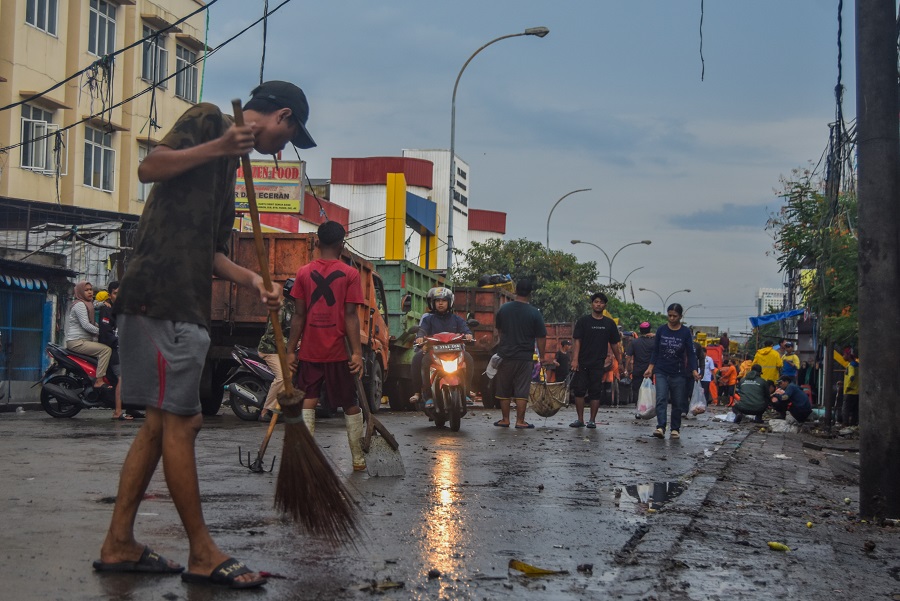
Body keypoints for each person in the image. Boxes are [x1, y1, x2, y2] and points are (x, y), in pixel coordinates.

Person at [96, 80, 311, 589]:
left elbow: (214, 255)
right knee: (182, 422)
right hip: (160, 296)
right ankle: (202, 552)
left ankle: (120, 543)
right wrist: (218, 146)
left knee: (158, 428)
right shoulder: (210, 119)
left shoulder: (232, 170)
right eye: (289, 137)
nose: (281, 149)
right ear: (281, 116)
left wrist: (254, 281)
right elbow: (150, 167)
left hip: (184, 302)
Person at [285, 220, 366, 471]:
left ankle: (305, 458)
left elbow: (298, 315)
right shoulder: (350, 274)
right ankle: (358, 459)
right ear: (342, 245)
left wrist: (290, 351)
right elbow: (350, 316)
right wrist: (357, 352)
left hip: (310, 351)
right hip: (339, 352)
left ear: (318, 242)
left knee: (308, 400)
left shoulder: (303, 273)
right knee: (350, 403)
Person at [492, 277, 546, 429]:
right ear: (530, 293)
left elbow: (499, 331)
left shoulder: (504, 309)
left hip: (505, 355)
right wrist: (542, 357)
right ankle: (520, 421)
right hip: (524, 357)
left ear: (515, 291)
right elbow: (541, 337)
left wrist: (504, 344)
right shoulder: (534, 313)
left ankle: (505, 420)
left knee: (504, 388)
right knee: (522, 389)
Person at [409, 287, 474, 409]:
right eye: (437, 301)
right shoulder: (428, 319)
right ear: (433, 303)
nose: (440, 303)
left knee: (469, 359)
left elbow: (465, 330)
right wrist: (420, 337)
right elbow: (422, 330)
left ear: (449, 302)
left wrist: (468, 335)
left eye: (444, 301)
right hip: (433, 352)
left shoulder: (457, 319)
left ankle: (466, 393)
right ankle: (423, 394)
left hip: (455, 352)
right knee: (418, 359)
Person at [644, 303, 700, 439]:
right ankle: (661, 427)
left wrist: (694, 370)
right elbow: (656, 351)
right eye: (669, 315)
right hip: (661, 370)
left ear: (680, 316)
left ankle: (675, 429)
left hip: (679, 372)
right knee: (661, 398)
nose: (672, 318)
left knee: (677, 401)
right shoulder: (661, 330)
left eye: (675, 316)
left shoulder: (685, 332)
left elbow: (691, 353)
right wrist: (650, 368)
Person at [569, 292, 622, 429]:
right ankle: (580, 419)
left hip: (598, 363)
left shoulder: (609, 324)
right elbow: (577, 341)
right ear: (592, 304)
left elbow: (614, 344)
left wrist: (620, 361)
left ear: (605, 305)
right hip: (582, 362)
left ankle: (592, 420)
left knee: (595, 392)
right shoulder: (583, 321)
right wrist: (575, 359)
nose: (598, 304)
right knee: (579, 391)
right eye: (596, 302)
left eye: (601, 302)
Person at [256, 278, 295, 423]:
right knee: (282, 377)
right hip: (270, 349)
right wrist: (291, 344)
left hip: (283, 351)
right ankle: (265, 410)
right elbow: (273, 334)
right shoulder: (280, 309)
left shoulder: (295, 308)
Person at [65, 281, 113, 392]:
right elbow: (86, 325)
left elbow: (94, 307)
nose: (90, 292)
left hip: (83, 340)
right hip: (77, 342)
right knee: (106, 350)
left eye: (91, 289)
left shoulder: (87, 303)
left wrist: (103, 303)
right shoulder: (80, 305)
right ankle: (99, 380)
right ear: (80, 292)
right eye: (86, 290)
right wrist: (103, 332)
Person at [97, 282, 132, 420]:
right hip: (114, 352)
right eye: (116, 293)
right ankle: (117, 412)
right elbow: (106, 334)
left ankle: (131, 408)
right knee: (121, 378)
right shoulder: (106, 310)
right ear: (110, 295)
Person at [626, 322, 655, 406]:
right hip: (650, 370)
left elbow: (628, 356)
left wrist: (626, 369)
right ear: (650, 330)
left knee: (637, 390)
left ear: (640, 330)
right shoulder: (654, 342)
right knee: (648, 389)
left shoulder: (635, 342)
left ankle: (639, 406)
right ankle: (647, 406)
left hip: (637, 370)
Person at [842, 348, 859, 426]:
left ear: (848, 355)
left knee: (845, 409)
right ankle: (853, 425)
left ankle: (845, 424)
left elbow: (852, 377)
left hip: (850, 391)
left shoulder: (851, 365)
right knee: (855, 410)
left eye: (844, 354)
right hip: (857, 391)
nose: (843, 356)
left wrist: (848, 387)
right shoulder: (857, 365)